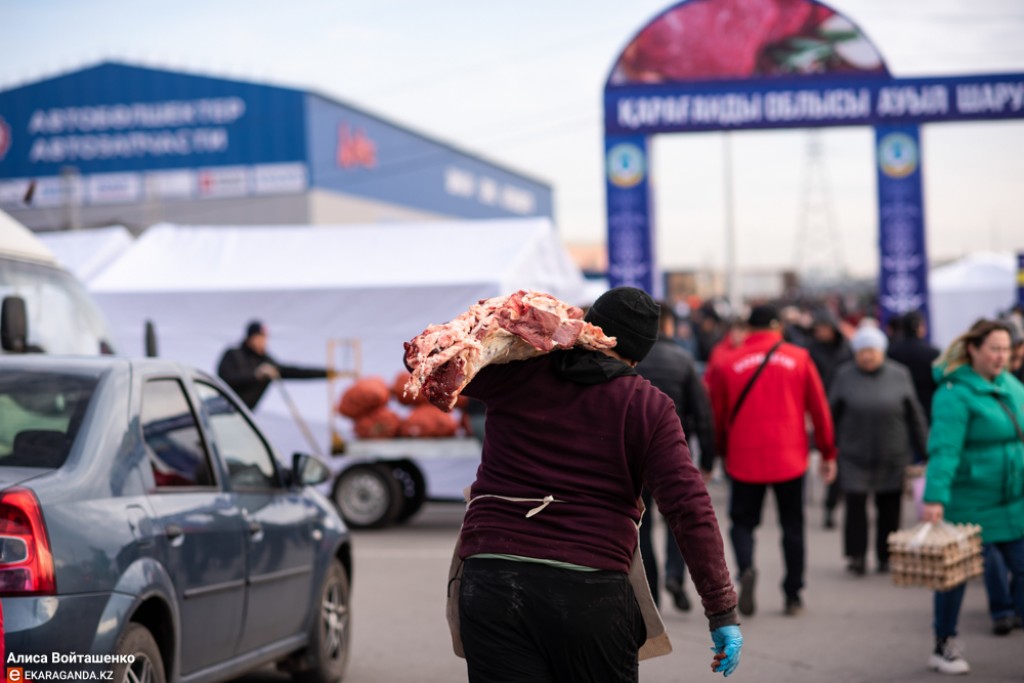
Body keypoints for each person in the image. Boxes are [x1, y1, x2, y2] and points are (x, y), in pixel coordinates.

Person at [454, 287, 742, 682]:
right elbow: (688, 508)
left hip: (491, 581)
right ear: (641, 355)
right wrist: (721, 610)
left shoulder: (515, 374)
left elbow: (436, 365)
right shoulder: (646, 405)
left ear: (585, 326)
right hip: (590, 591)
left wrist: (508, 321)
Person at [705, 303, 837, 617]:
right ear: (777, 327)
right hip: (790, 457)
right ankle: (793, 595)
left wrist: (720, 452)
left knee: (743, 523)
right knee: (792, 525)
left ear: (748, 329)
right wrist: (828, 452)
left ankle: (746, 568)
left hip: (744, 456)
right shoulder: (800, 358)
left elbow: (717, 417)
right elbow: (819, 409)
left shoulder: (728, 362)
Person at [921, 318, 1024, 675]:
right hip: (971, 503)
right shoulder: (954, 393)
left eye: (1006, 349)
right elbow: (944, 449)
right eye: (994, 349)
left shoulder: (1011, 384)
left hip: (1014, 500)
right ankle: (943, 645)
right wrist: (934, 497)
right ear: (973, 350)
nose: (1001, 356)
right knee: (955, 578)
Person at [636, 303, 717, 613]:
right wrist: (708, 459)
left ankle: (651, 593)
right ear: (668, 326)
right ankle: (674, 576)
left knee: (641, 526)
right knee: (677, 522)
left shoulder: (630, 361)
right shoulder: (683, 360)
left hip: (634, 458)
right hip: (673, 456)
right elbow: (703, 415)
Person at [828, 326, 928, 576]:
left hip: (892, 453)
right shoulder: (844, 376)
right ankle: (857, 556)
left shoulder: (899, 374)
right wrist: (825, 447)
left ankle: (886, 555)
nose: (867, 356)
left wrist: (926, 448)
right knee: (855, 505)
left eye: (872, 351)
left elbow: (914, 415)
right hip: (854, 454)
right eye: (862, 351)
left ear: (882, 352)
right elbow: (830, 415)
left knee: (889, 506)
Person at [216, 320, 331, 410]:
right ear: (250, 338)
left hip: (243, 413)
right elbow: (225, 379)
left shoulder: (266, 361)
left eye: (265, 337)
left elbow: (294, 371)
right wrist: (255, 376)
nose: (263, 341)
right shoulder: (233, 354)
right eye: (259, 337)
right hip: (221, 405)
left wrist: (327, 373)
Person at [807, 308, 853, 530]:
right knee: (826, 455)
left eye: (823, 327)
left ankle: (831, 503)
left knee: (838, 457)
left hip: (843, 410)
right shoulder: (810, 350)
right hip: (819, 408)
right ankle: (828, 502)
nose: (819, 332)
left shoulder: (846, 350)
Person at [887, 310, 941, 423]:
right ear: (920, 327)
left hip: (899, 409)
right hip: (927, 408)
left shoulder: (892, 352)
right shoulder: (933, 352)